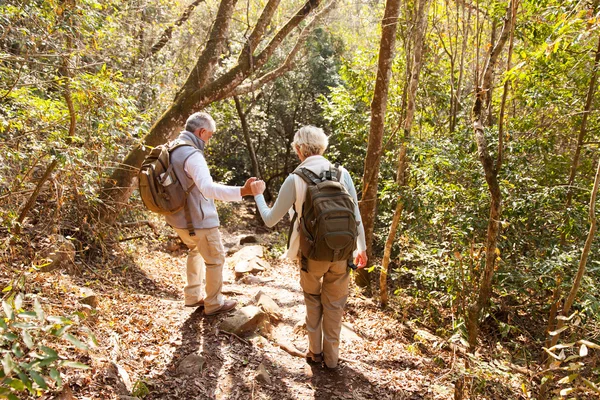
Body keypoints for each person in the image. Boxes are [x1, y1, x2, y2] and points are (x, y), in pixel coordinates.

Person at [250, 125, 367, 369]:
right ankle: (332, 359)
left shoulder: (296, 179)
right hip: (342, 252)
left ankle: (315, 352)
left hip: (311, 254)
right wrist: (361, 248)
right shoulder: (342, 173)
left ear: (299, 149)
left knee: (313, 299)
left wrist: (258, 194)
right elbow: (355, 213)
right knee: (335, 305)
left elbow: (270, 220)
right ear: (322, 147)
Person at [165, 112, 256, 315]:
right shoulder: (192, 154)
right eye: (210, 135)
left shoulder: (172, 149)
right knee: (216, 259)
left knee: (195, 251)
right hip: (199, 221)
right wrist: (243, 191)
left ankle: (192, 296)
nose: (210, 139)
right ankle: (214, 303)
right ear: (201, 131)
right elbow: (208, 189)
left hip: (178, 220)